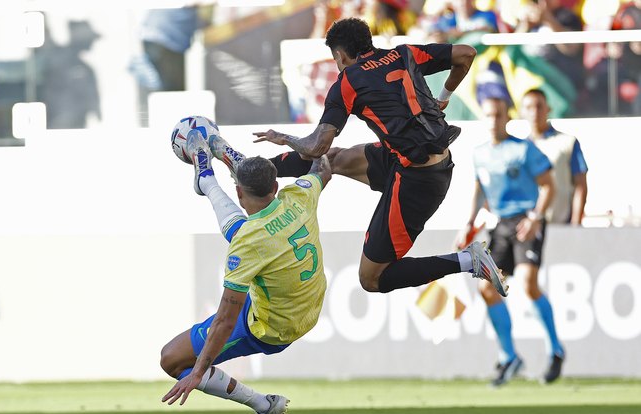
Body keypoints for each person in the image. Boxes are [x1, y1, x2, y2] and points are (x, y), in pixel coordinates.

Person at [245, 17, 508, 298]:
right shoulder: (404, 53)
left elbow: (316, 145)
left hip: (417, 181)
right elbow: (466, 53)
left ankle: (469, 260)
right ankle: (251, 168)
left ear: (339, 55)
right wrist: (444, 96)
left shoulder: (348, 81)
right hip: (419, 159)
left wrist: (284, 138)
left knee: (371, 277)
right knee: (334, 160)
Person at [160, 130, 332, 414]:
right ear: (276, 185)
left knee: (172, 359)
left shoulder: (246, 244)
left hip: (274, 326)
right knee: (247, 232)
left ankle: (265, 405)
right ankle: (213, 176)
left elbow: (226, 321)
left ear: (239, 193)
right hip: (305, 304)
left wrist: (199, 372)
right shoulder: (300, 195)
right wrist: (296, 143)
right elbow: (323, 167)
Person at [458, 96, 563, 387]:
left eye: (498, 115)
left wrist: (535, 217)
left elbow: (548, 185)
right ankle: (509, 356)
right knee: (486, 289)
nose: (493, 121)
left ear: (507, 117)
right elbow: (479, 191)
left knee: (528, 283)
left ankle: (555, 350)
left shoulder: (523, 149)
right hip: (500, 226)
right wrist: (468, 223)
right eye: (489, 116)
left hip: (526, 221)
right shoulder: (480, 153)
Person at [520, 88, 588, 225]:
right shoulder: (519, 148)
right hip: (529, 228)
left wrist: (575, 224)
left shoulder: (567, 142)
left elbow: (580, 185)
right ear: (521, 112)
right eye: (529, 107)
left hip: (560, 224)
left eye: (539, 106)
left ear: (548, 108)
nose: (534, 112)